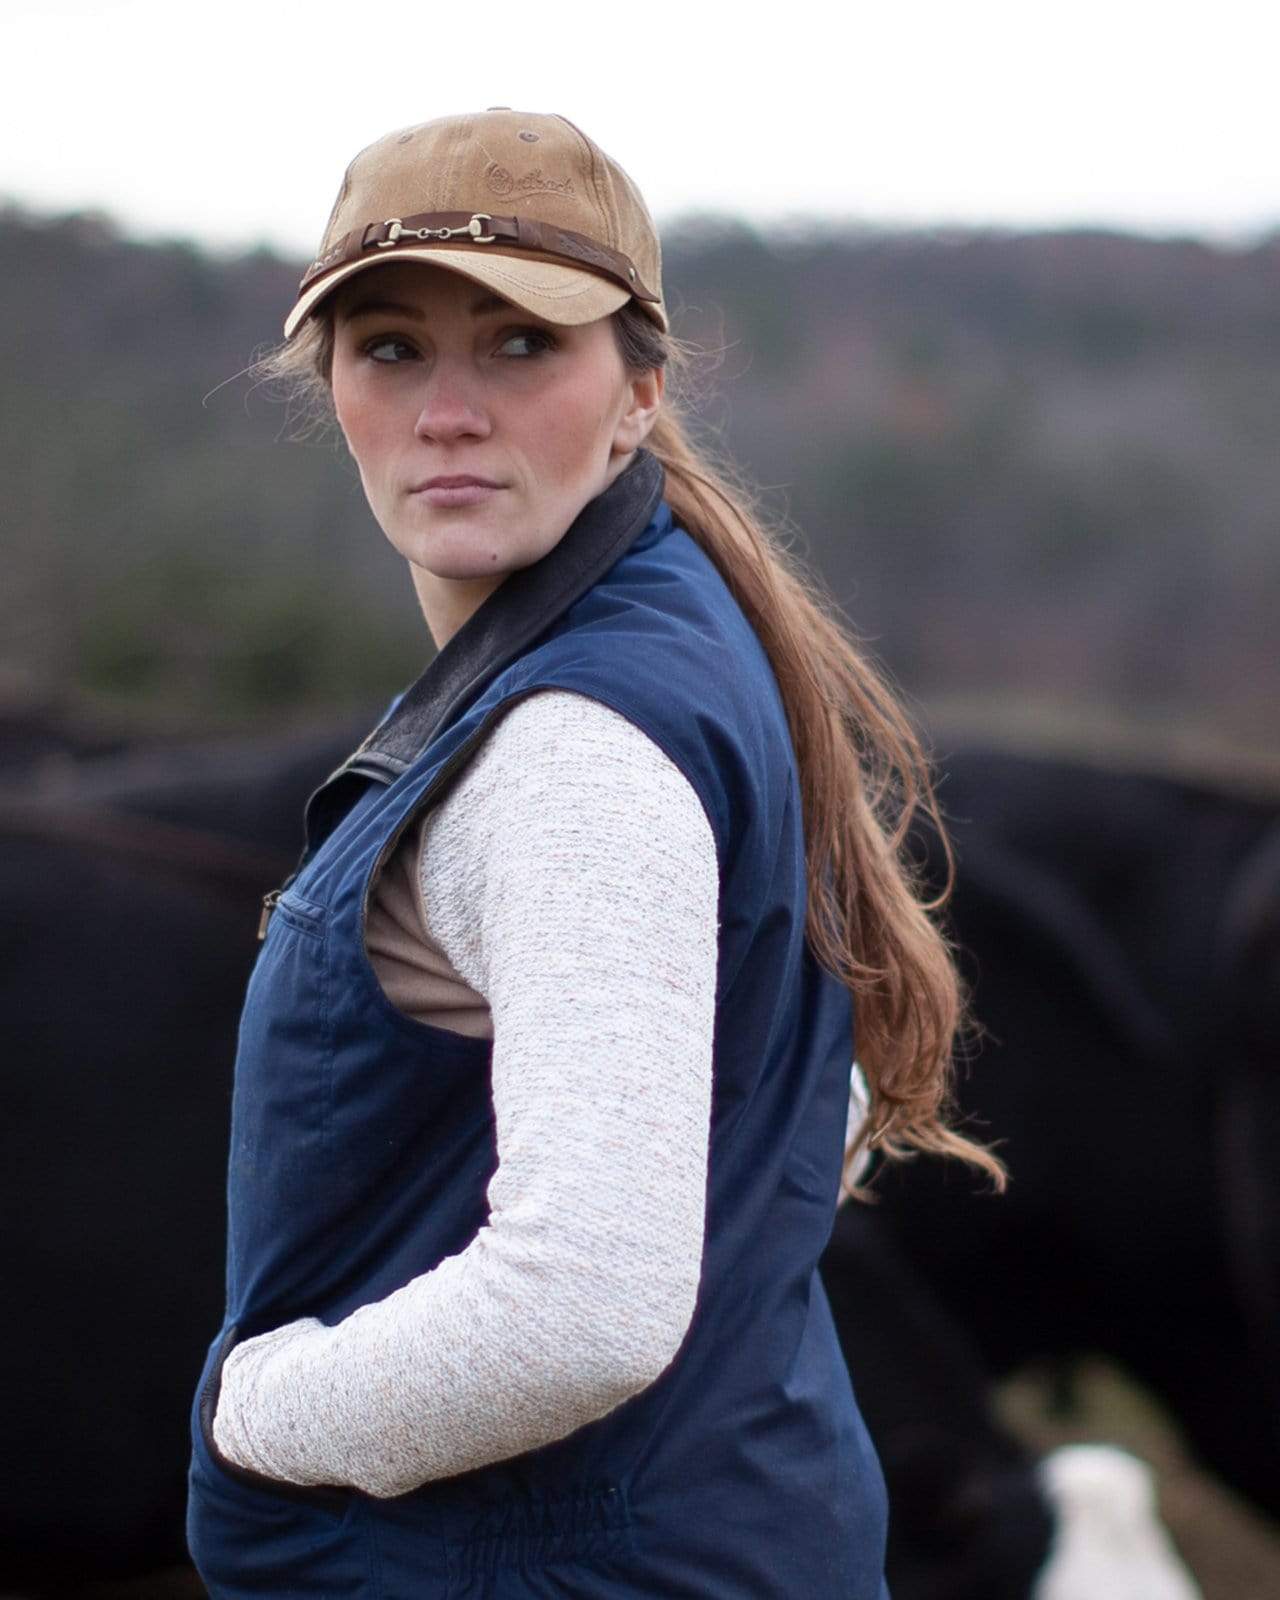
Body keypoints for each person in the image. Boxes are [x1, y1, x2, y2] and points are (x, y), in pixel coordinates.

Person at [186, 108, 1003, 1598]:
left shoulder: (574, 746)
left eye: (518, 345)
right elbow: (765, 1100)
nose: (448, 410)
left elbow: (585, 1307)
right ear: (333, 392)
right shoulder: (675, 635)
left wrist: (260, 1417)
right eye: (390, 348)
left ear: (637, 393)